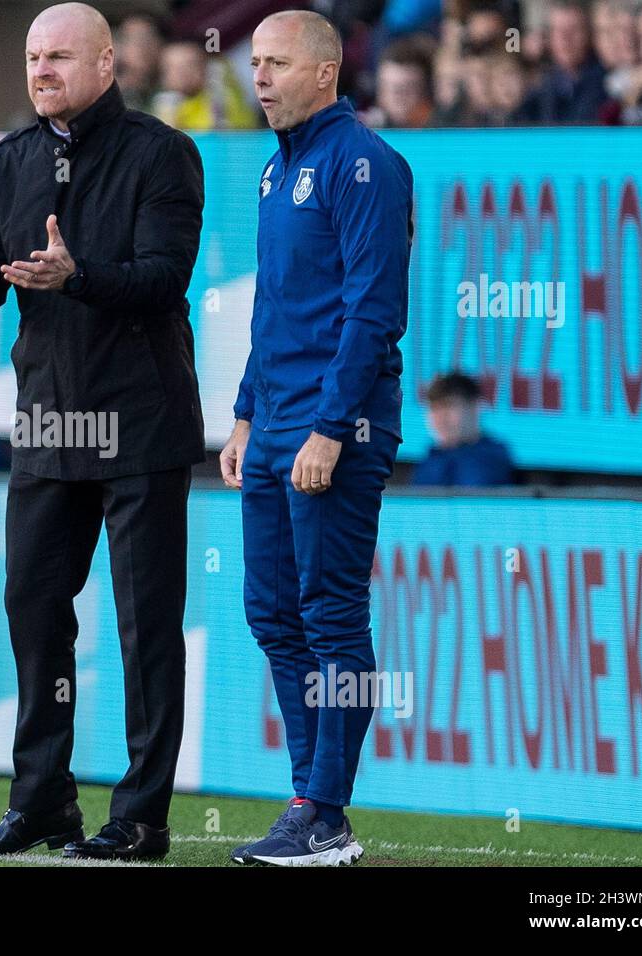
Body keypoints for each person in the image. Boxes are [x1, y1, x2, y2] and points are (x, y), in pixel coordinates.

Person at [0, 2, 205, 861]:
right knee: (33, 608)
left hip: (139, 420)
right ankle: (42, 804)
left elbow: (162, 279)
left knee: (147, 626)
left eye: (60, 56)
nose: (41, 70)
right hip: (47, 420)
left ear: (108, 62)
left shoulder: (161, 152)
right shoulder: (12, 158)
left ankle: (141, 817)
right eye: (33, 56)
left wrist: (78, 276)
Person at [219, 9, 413, 866]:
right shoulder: (273, 172)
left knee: (333, 616)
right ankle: (308, 802)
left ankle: (326, 812)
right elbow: (274, 310)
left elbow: (372, 309)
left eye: (276, 64)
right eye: (254, 64)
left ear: (326, 72)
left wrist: (332, 427)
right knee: (271, 612)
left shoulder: (366, 163)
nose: (258, 78)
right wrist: (245, 410)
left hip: (335, 424)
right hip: (272, 426)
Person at [412, 372, 516, 486]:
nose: (441, 417)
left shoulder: (491, 459)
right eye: (434, 408)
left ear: (475, 407)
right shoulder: (431, 459)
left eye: (449, 406)